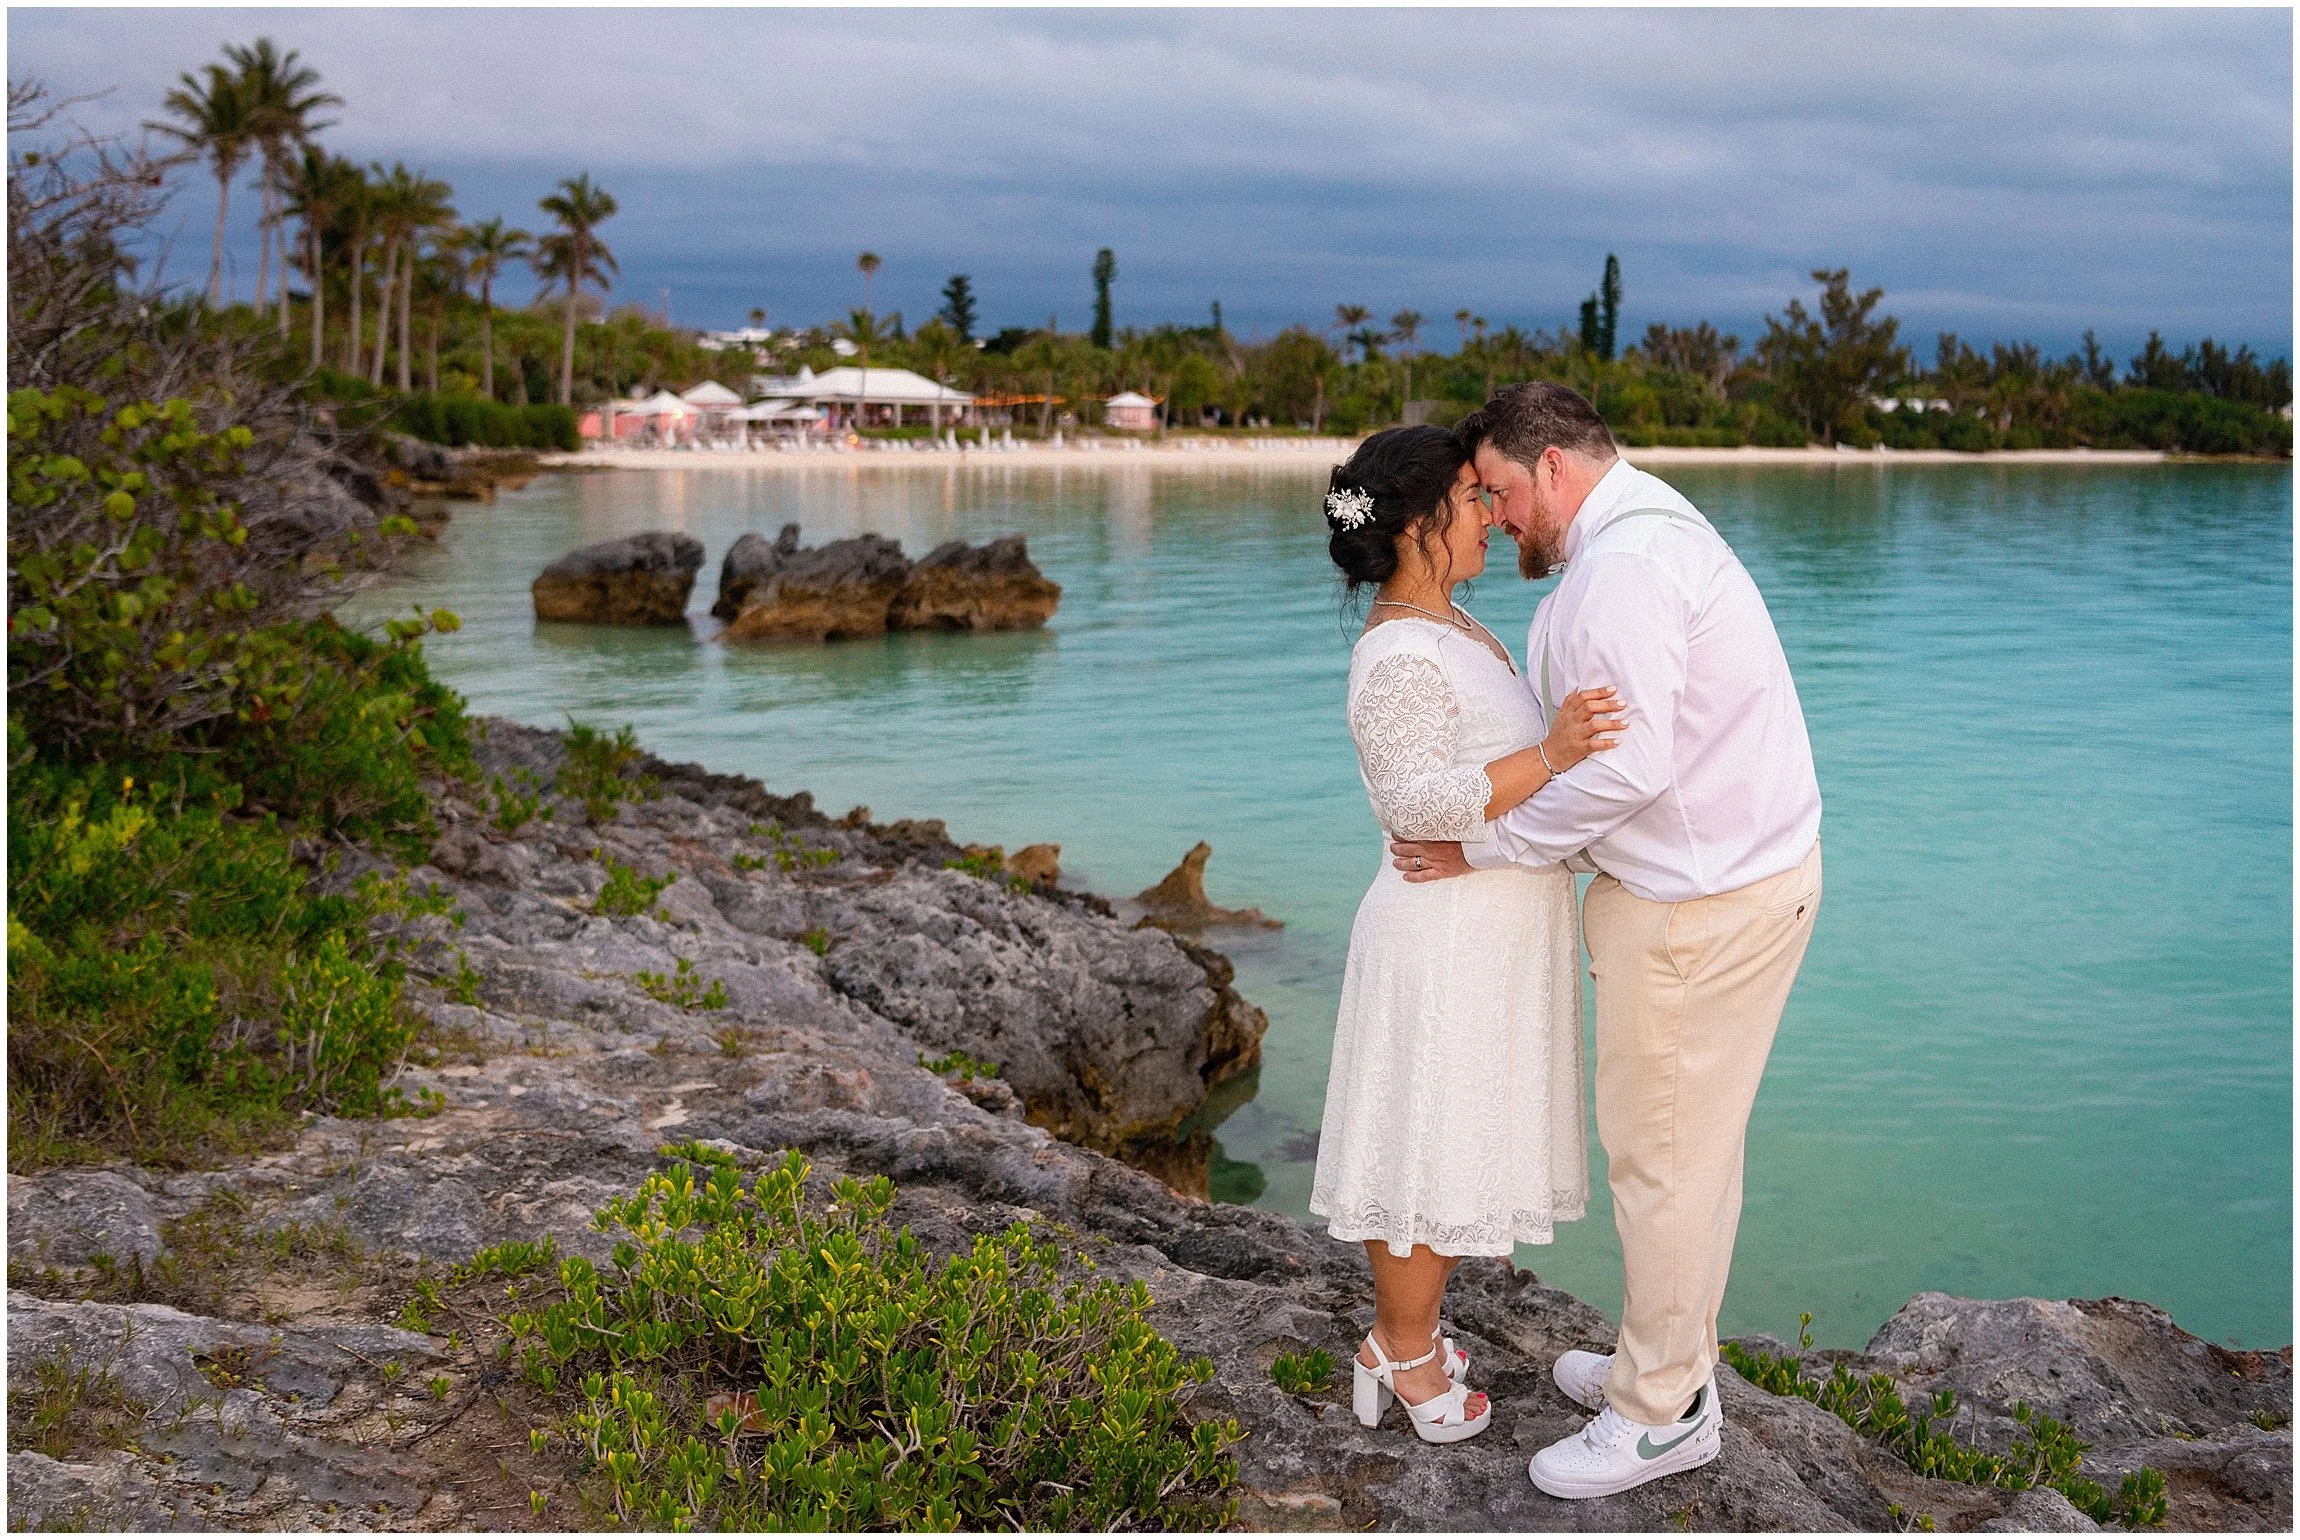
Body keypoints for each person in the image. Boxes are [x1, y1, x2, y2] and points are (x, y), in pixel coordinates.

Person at [1390, 383, 1823, 1498]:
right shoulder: (1653, 524)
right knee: (1691, 1155)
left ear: (1552, 472)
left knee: (1661, 1165)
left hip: (1695, 908)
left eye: (1496, 491)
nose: (1493, 515)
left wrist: (1484, 850)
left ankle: (1657, 1413)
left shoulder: (1617, 571)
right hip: (1744, 877)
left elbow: (1627, 768)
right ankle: (1665, 1363)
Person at [1310, 424, 1623, 1447]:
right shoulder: (1400, 649)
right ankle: (1398, 1349)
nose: (1489, 511)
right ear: (1413, 524)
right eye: (1466, 496)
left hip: (1479, 928)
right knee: (1421, 1149)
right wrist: (1553, 750)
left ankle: (1404, 1334)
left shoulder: (1454, 628)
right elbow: (1413, 799)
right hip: (1438, 936)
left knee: (1445, 1143)